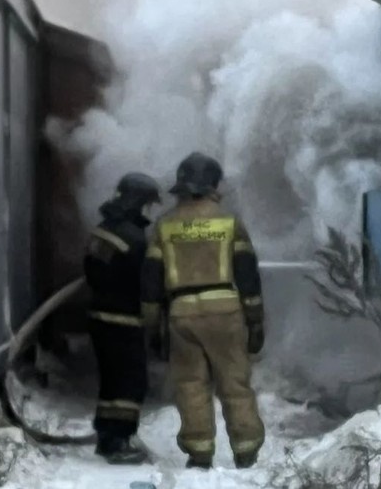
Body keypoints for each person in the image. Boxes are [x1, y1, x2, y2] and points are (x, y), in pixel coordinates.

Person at [140, 152, 266, 470]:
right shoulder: (228, 222)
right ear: (213, 184)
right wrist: (255, 320)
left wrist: (152, 326)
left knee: (191, 384)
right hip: (225, 311)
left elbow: (151, 280)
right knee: (235, 382)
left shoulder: (165, 225)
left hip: (181, 314)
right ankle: (246, 449)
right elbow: (247, 274)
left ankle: (199, 452)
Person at [83, 172, 162, 464]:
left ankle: (107, 436)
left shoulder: (104, 229)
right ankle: (118, 441)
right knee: (130, 384)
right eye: (147, 204)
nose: (148, 211)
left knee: (112, 382)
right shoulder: (134, 238)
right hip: (123, 319)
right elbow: (145, 282)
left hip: (100, 317)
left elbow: (93, 271)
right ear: (136, 201)